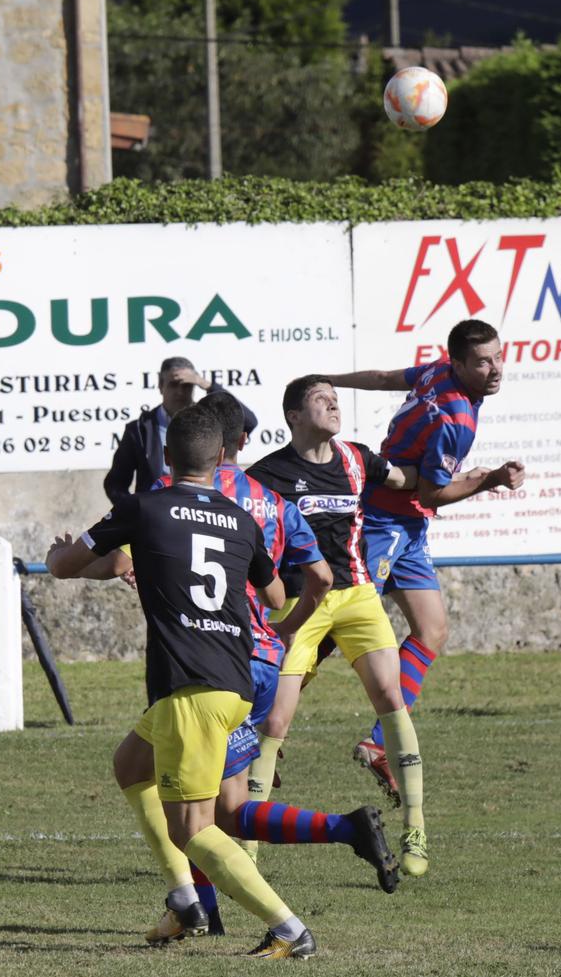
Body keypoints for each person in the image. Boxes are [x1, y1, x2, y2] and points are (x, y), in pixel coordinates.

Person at [74, 390, 397, 933]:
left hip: (204, 660)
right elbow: (313, 579)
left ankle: (225, 911)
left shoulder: (167, 494)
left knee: (205, 815)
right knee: (148, 771)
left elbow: (123, 554)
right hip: (262, 663)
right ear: (238, 442)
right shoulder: (269, 498)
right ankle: (203, 900)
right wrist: (290, 631)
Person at [47, 402, 319, 959]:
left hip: (191, 685)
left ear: (166, 457)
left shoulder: (143, 507)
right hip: (233, 677)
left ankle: (290, 930)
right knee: (130, 766)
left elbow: (67, 566)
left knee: (194, 827)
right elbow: (273, 597)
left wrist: (58, 553)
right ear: (221, 457)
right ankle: (184, 899)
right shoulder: (241, 518)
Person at [248, 375, 438, 876]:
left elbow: (412, 480)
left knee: (392, 700)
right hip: (299, 604)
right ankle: (246, 845)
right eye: (320, 399)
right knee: (274, 722)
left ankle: (415, 827)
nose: (333, 404)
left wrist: (472, 476)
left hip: (356, 598)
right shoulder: (267, 476)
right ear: (293, 415)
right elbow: (234, 529)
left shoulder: (356, 458)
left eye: (336, 398)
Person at [321, 318, 526, 767]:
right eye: (482, 362)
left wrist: (329, 380)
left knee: (432, 631)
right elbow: (431, 493)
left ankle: (379, 743)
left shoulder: (439, 371)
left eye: (498, 357)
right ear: (459, 362)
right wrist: (488, 479)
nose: (495, 369)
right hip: (379, 523)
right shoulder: (456, 420)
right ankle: (256, 727)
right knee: (325, 632)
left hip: (409, 528)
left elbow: (383, 380)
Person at [102, 357, 257, 510]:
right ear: (161, 386)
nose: (180, 392)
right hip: (156, 517)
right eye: (174, 385)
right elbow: (115, 484)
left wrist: (206, 384)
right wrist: (136, 511)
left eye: (187, 385)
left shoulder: (209, 419)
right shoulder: (140, 429)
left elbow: (249, 421)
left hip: (202, 513)